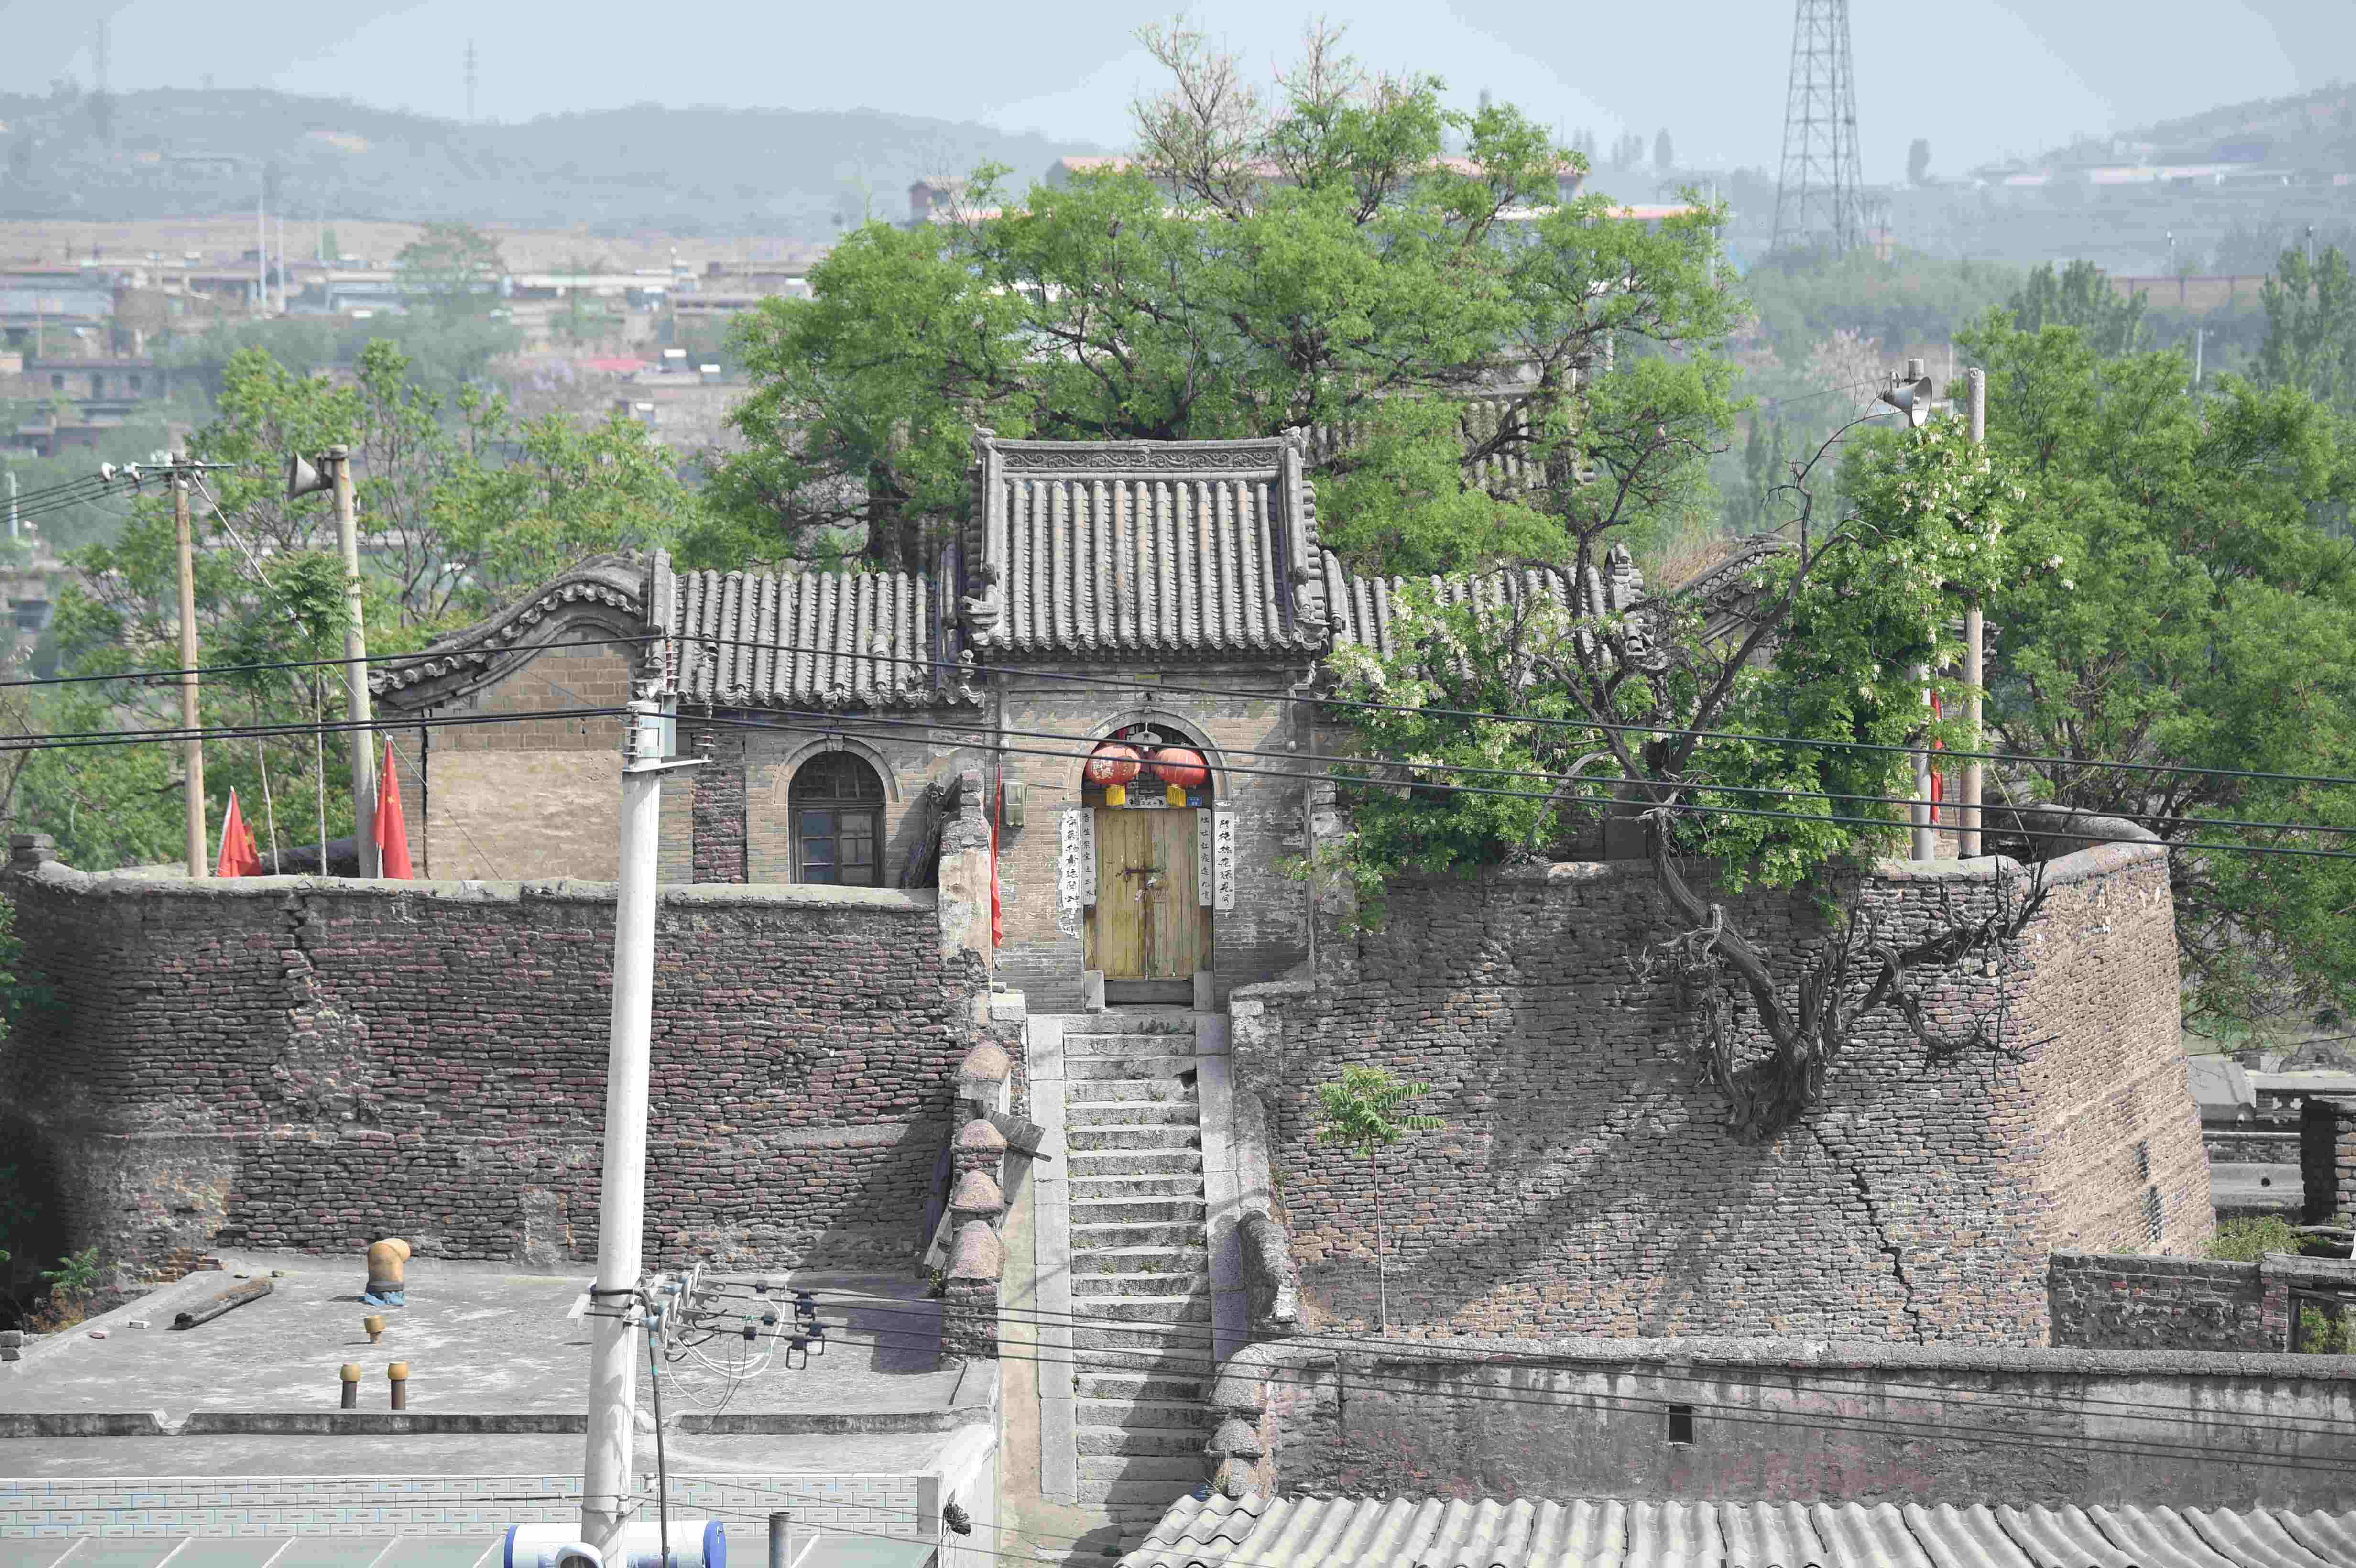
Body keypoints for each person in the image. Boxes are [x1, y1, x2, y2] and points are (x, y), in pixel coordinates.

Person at [362, 1237, 412, 1307]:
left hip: (383, 1248)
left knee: (380, 1251)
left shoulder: (379, 1247)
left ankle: (379, 1293)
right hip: (389, 1248)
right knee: (382, 1252)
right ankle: (391, 1293)